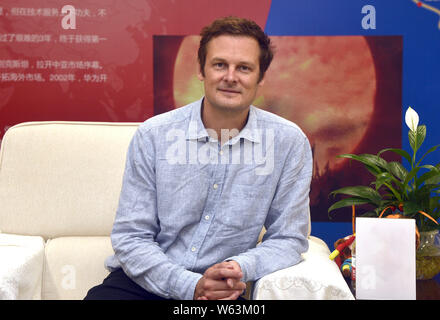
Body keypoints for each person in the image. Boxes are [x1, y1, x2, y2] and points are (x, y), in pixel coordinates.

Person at [85, 16, 313, 300]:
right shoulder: (154, 135)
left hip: (223, 287)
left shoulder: (288, 143)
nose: (230, 77)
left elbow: (288, 238)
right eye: (220, 65)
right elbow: (131, 236)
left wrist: (238, 269)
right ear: (201, 71)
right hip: (145, 282)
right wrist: (189, 286)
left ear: (261, 77)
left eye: (244, 67)